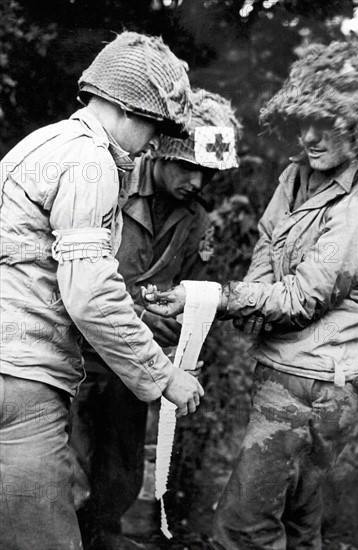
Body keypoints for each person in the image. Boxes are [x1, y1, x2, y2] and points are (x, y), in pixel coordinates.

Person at [143, 41, 358, 549]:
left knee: (245, 528)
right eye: (303, 120)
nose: (308, 136)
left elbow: (302, 298)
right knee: (292, 519)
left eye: (325, 122)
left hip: (315, 388)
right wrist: (252, 299)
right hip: (284, 373)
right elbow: (269, 240)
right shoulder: (299, 174)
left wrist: (220, 299)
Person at [0, 31, 205, 550]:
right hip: (24, 377)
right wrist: (164, 376)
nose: (155, 141)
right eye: (155, 125)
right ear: (122, 106)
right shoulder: (92, 162)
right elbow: (90, 293)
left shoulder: (39, 144)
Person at [70, 88, 241, 549]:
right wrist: (143, 312)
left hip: (135, 363)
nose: (197, 182)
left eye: (206, 172)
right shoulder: (110, 182)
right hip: (77, 354)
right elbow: (82, 281)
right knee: (64, 466)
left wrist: (178, 342)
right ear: (162, 151)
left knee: (122, 468)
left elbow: (187, 302)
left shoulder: (197, 223)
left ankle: (102, 535)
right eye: (187, 167)